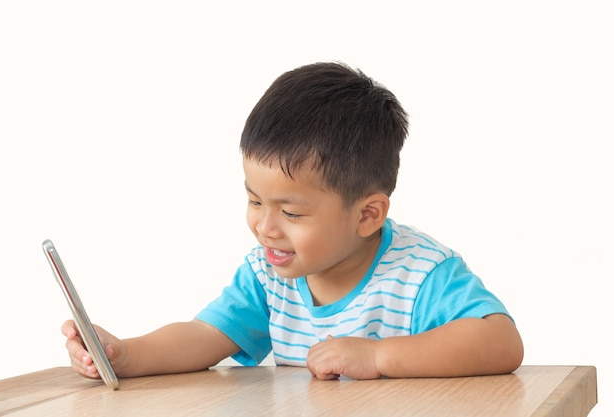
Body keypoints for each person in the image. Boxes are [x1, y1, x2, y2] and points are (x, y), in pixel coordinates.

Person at [62, 62, 524, 381]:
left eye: (291, 212)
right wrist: (125, 355)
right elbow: (204, 336)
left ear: (367, 215)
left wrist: (379, 355)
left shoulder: (420, 273)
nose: (265, 226)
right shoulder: (268, 276)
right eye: (254, 201)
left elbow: (501, 342)